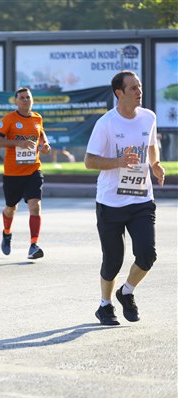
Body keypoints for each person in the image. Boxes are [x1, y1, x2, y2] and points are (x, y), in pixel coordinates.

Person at [84, 70, 165, 326]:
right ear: (119, 93)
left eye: (139, 86)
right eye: (133, 88)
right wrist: (118, 162)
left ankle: (126, 292)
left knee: (147, 255)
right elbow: (89, 161)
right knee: (113, 261)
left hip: (141, 199)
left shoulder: (149, 117)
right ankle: (104, 305)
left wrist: (155, 164)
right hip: (111, 202)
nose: (139, 91)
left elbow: (151, 145)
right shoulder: (106, 123)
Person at [0, 87, 51, 259]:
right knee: (11, 208)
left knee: (35, 205)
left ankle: (33, 245)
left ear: (32, 100)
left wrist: (45, 144)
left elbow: (41, 133)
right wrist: (18, 143)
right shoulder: (9, 119)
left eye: (28, 97)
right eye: (22, 98)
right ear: (16, 102)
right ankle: (7, 233)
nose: (26, 100)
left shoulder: (37, 118)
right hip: (13, 173)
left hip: (33, 169)